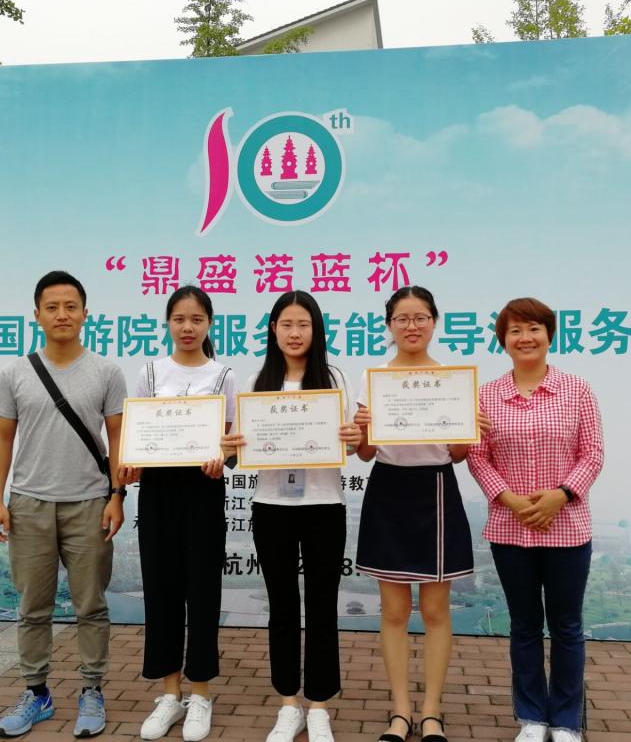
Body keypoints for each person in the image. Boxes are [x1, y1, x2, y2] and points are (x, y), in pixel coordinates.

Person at [0, 270, 127, 739]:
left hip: (89, 503)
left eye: (71, 306)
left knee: (91, 606)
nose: (62, 315)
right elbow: (1, 438)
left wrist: (117, 496)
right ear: (37, 316)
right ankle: (37, 693)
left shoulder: (106, 372)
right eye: (52, 307)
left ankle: (92, 690)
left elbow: (118, 437)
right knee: (33, 608)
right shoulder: (14, 373)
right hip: (29, 504)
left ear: (86, 314)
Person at [221, 291, 362, 742]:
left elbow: (355, 445)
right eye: (286, 324)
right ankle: (287, 703)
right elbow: (237, 450)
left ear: (316, 330)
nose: (295, 333)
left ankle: (318, 705)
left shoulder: (335, 378)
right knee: (281, 607)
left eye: (304, 324)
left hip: (324, 506)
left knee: (322, 606)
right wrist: (230, 446)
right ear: (273, 330)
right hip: (271, 507)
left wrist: (354, 436)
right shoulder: (257, 380)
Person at [353, 285, 491, 742]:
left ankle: (431, 711)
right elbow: (365, 454)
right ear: (389, 325)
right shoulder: (373, 377)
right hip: (388, 488)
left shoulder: (452, 379)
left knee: (434, 610)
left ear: (434, 322)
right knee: (393, 611)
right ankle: (400, 711)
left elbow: (457, 454)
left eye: (421, 317)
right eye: (402, 318)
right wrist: (361, 429)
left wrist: (468, 431)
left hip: (435, 489)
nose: (412, 326)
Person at [466, 297, 604, 742]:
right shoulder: (486, 394)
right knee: (524, 626)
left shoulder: (577, 390)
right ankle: (531, 717)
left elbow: (593, 453)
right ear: (503, 340)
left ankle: (565, 721)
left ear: (549, 335)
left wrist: (559, 496)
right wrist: (510, 500)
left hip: (567, 527)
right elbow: (477, 456)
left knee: (566, 627)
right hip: (510, 529)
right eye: (515, 331)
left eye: (533, 329)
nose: (525, 338)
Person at [116, 285, 237, 742]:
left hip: (203, 491)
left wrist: (222, 459)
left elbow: (231, 444)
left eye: (197, 319)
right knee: (162, 589)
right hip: (159, 492)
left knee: (203, 591)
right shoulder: (150, 372)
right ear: (167, 323)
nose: (188, 328)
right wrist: (130, 464)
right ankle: (170, 693)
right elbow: (137, 434)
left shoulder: (223, 376)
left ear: (209, 324)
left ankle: (200, 693)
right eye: (179, 319)